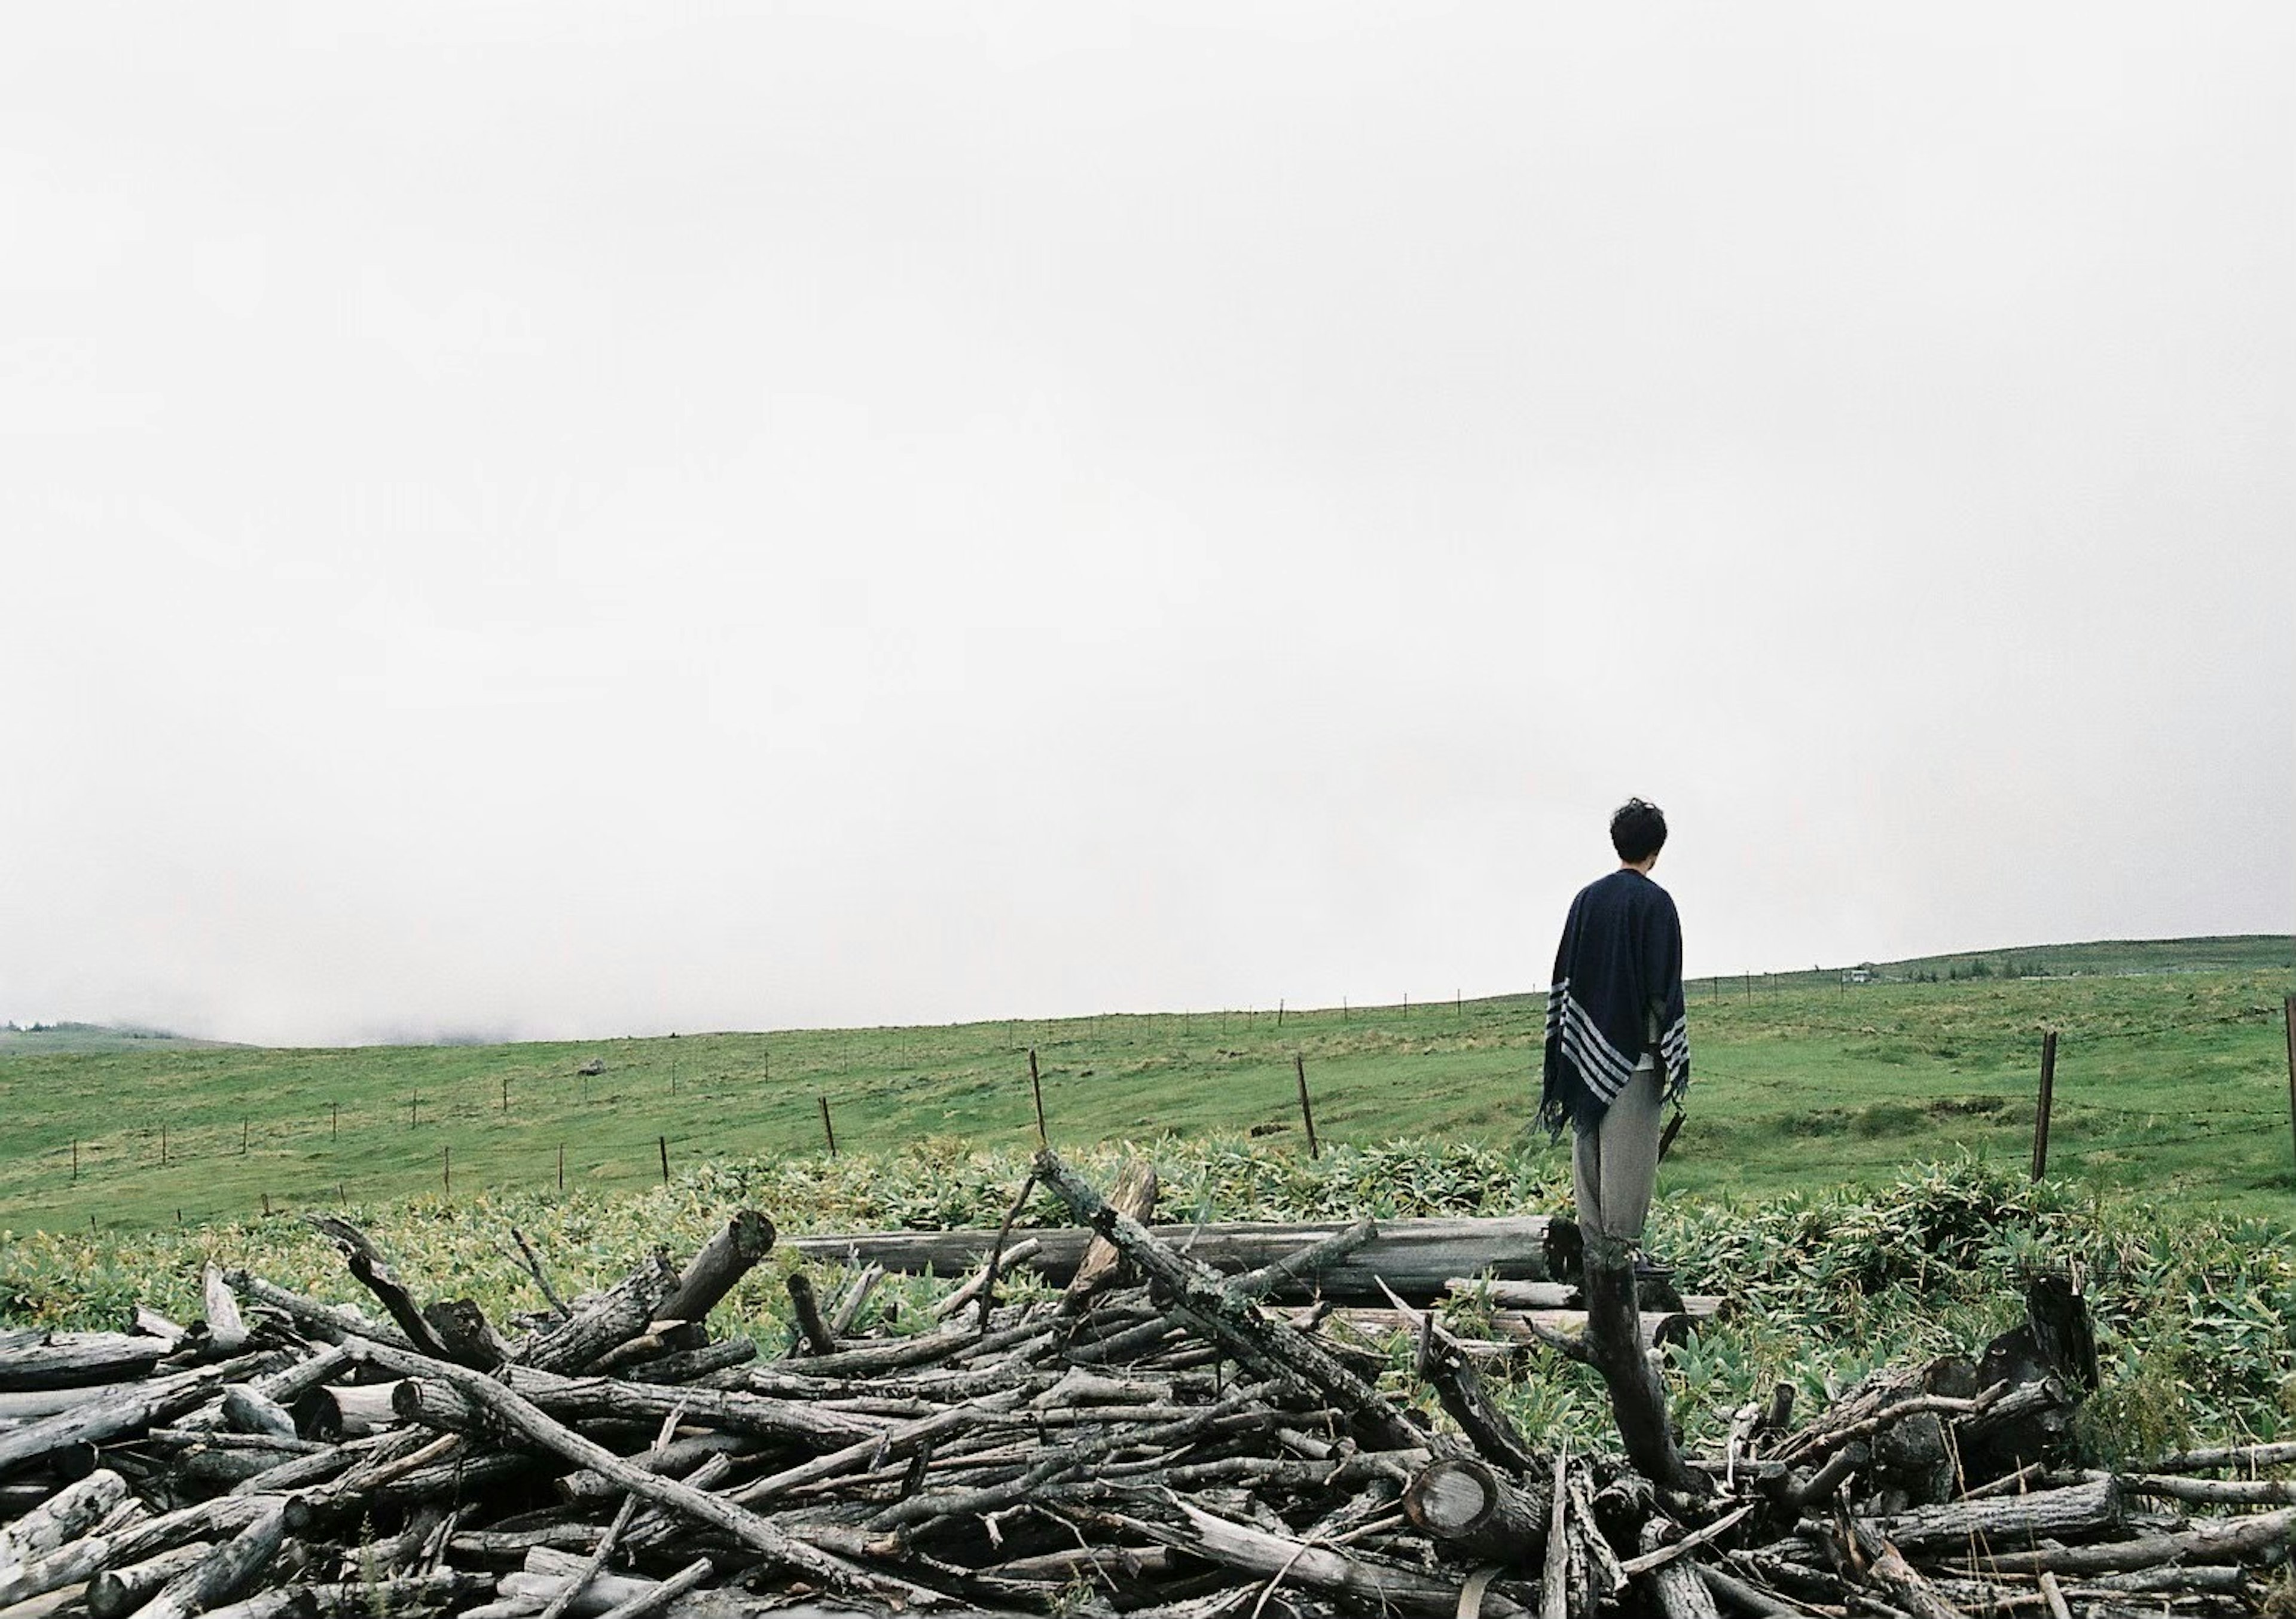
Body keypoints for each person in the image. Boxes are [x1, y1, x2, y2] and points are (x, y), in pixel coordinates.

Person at [1539, 797, 1689, 1261]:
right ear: (1657, 851)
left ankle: (1593, 1256)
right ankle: (1619, 1263)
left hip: (1584, 1053)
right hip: (1636, 1058)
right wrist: (1670, 1048)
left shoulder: (1585, 900)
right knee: (1628, 1166)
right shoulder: (1656, 903)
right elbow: (1663, 989)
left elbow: (1566, 974)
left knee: (1590, 1157)